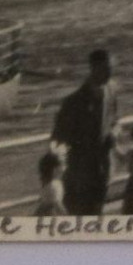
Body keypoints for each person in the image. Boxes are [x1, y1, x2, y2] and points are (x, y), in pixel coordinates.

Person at [51, 48, 119, 215]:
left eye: (111, 69)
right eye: (106, 69)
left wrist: (115, 133)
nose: (110, 73)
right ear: (93, 68)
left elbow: (116, 120)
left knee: (98, 212)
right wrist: (58, 171)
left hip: (103, 167)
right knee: (78, 214)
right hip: (80, 172)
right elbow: (58, 139)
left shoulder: (111, 91)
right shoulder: (73, 101)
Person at [35, 151, 66, 217]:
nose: (64, 168)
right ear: (54, 169)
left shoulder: (52, 183)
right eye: (62, 165)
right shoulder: (53, 185)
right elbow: (58, 206)